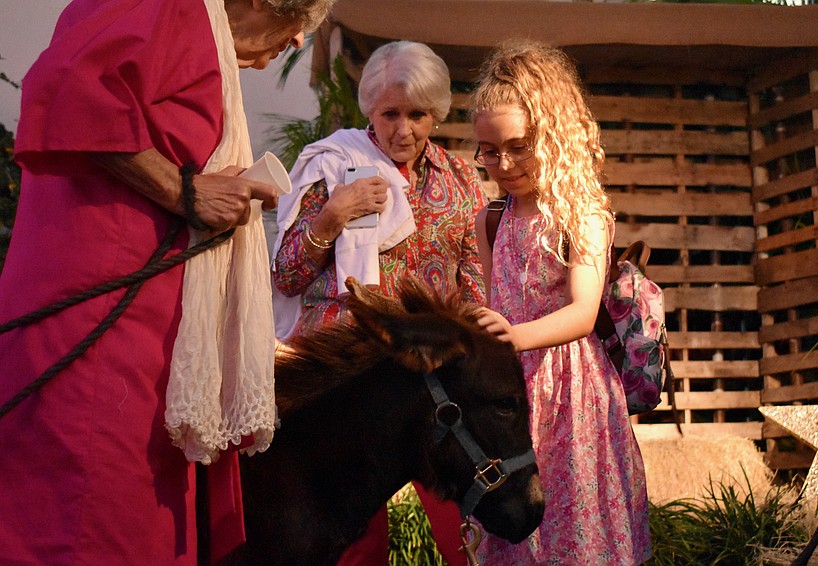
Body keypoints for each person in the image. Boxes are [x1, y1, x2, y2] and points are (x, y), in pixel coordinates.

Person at [0, 0, 333, 564]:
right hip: (100, 332)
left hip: (147, 336)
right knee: (89, 523)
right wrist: (186, 191)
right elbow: (69, 86)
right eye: (300, 17)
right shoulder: (172, 6)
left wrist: (202, 187)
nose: (298, 42)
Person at [272, 40, 486, 566]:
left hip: (434, 382)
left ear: (436, 114)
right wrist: (331, 217)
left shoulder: (460, 181)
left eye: (417, 115)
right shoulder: (334, 167)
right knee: (354, 539)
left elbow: (477, 276)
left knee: (467, 524)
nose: (403, 129)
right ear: (371, 108)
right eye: (390, 113)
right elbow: (288, 275)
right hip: (351, 380)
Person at [470, 40, 652, 564]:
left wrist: (514, 335)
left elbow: (582, 311)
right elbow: (494, 297)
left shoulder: (583, 213)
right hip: (510, 394)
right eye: (489, 150)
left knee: (576, 524)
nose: (502, 163)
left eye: (519, 146)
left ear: (552, 135)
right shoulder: (491, 220)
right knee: (514, 526)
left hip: (572, 395)